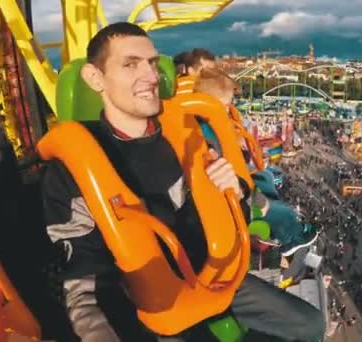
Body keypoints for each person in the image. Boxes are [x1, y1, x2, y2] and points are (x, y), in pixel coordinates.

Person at [42, 22, 324, 341]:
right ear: (95, 78)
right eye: (130, 64)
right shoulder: (72, 170)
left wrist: (234, 193)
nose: (150, 77)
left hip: (214, 277)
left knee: (310, 326)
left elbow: (233, 223)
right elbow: (82, 279)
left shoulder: (184, 139)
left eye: (151, 63)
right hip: (146, 304)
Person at [193, 68, 318, 280]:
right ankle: (291, 237)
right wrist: (258, 201)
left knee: (267, 177)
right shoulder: (206, 136)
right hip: (232, 198)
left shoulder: (208, 128)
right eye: (225, 105)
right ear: (208, 104)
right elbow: (229, 181)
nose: (228, 110)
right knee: (282, 211)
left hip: (239, 185)